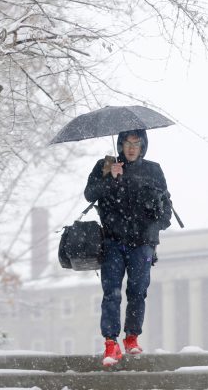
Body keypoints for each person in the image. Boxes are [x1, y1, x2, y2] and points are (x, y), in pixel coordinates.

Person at [84, 129, 173, 367]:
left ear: (143, 145)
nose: (132, 148)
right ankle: (110, 343)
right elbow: (89, 194)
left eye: (136, 143)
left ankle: (131, 337)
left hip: (142, 244)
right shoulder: (105, 166)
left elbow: (167, 209)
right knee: (111, 292)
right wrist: (109, 178)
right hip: (113, 241)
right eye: (127, 143)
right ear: (120, 145)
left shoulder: (153, 170)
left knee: (137, 291)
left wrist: (153, 228)